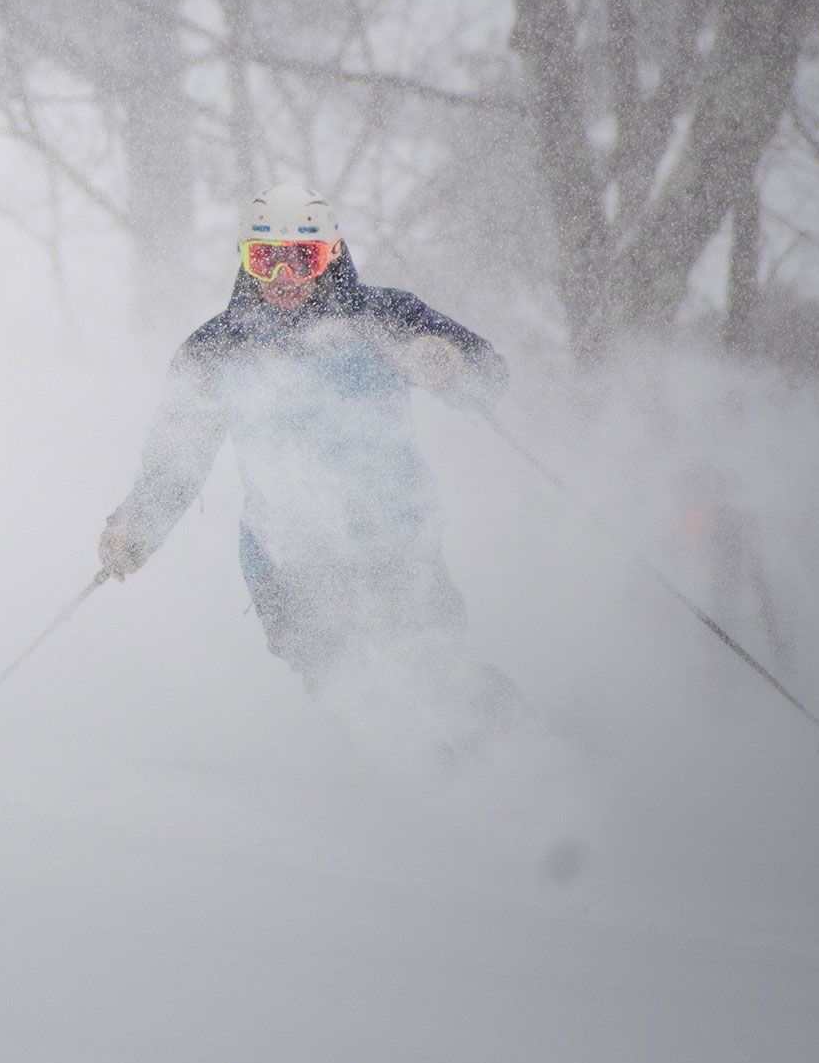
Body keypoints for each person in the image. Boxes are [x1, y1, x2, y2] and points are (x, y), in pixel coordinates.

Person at [99, 183, 524, 763]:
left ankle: (525, 756)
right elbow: (176, 460)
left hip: (394, 538)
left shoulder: (385, 319)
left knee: (436, 664)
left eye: (304, 259)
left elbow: (488, 376)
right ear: (246, 260)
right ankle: (431, 790)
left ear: (331, 255)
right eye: (265, 259)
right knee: (351, 683)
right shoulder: (217, 350)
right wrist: (135, 530)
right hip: (287, 557)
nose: (284, 278)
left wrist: (448, 365)